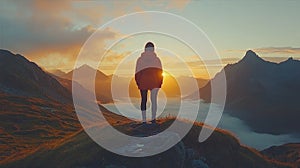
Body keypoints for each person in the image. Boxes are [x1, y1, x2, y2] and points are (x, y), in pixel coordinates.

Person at [135, 42, 163, 124]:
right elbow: (160, 72)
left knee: (144, 100)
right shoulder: (157, 59)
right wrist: (160, 83)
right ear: (153, 49)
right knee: (154, 101)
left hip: (143, 82)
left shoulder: (140, 60)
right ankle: (153, 119)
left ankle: (144, 120)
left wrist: (138, 83)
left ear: (145, 49)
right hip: (155, 82)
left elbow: (137, 72)